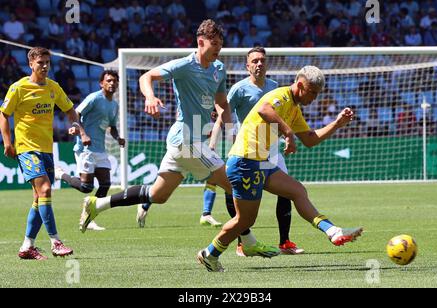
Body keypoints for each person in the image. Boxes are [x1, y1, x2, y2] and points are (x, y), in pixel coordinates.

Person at [78, 19, 279, 258]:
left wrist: (231, 129)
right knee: (233, 184)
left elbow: (222, 102)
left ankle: (97, 204)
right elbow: (147, 77)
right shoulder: (185, 65)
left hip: (189, 141)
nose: (217, 49)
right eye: (213, 44)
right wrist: (150, 97)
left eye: (220, 45)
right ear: (200, 42)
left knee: (157, 195)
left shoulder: (218, 69)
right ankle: (246, 241)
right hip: (186, 139)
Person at [197, 66, 364, 272]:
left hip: (260, 162)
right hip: (244, 162)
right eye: (312, 92)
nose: (314, 98)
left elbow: (310, 139)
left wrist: (337, 124)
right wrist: (288, 133)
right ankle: (209, 253)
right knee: (245, 220)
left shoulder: (294, 109)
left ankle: (333, 231)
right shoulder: (281, 95)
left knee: (297, 190)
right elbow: (264, 109)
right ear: (301, 85)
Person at [204, 47, 304, 255]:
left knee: (287, 191)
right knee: (232, 191)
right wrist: (212, 143)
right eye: (255, 61)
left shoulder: (275, 87)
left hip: (272, 147)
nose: (259, 64)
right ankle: (242, 240)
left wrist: (287, 134)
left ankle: (285, 242)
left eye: (262, 61)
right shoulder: (239, 89)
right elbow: (223, 113)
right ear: (247, 66)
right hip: (247, 148)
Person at [0, 47, 87, 260]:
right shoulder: (19, 88)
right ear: (31, 64)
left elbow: (69, 109)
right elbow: (4, 115)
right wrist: (8, 143)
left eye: (48, 62)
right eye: (41, 63)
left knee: (39, 198)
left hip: (47, 149)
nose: (45, 66)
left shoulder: (53, 87)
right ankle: (56, 241)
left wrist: (75, 124)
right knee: (46, 190)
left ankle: (27, 246)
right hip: (27, 149)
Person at [55, 70, 125, 231]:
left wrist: (118, 137)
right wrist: (83, 133)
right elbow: (75, 114)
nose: (112, 83)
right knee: (86, 187)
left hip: (100, 148)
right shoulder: (94, 98)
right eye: (108, 80)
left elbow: (112, 126)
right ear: (101, 83)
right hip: (85, 147)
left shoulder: (114, 105)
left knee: (105, 184)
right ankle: (61, 174)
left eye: (114, 81)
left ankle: (89, 218)